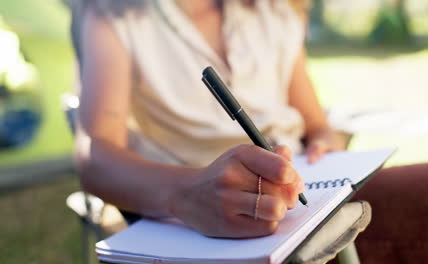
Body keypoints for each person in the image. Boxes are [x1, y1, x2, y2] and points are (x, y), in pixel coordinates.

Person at [73, 0, 345, 238]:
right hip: (201, 223)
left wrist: (324, 142)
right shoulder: (116, 13)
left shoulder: (274, 8)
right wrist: (186, 194)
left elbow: (315, 124)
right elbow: (96, 158)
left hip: (304, 191)